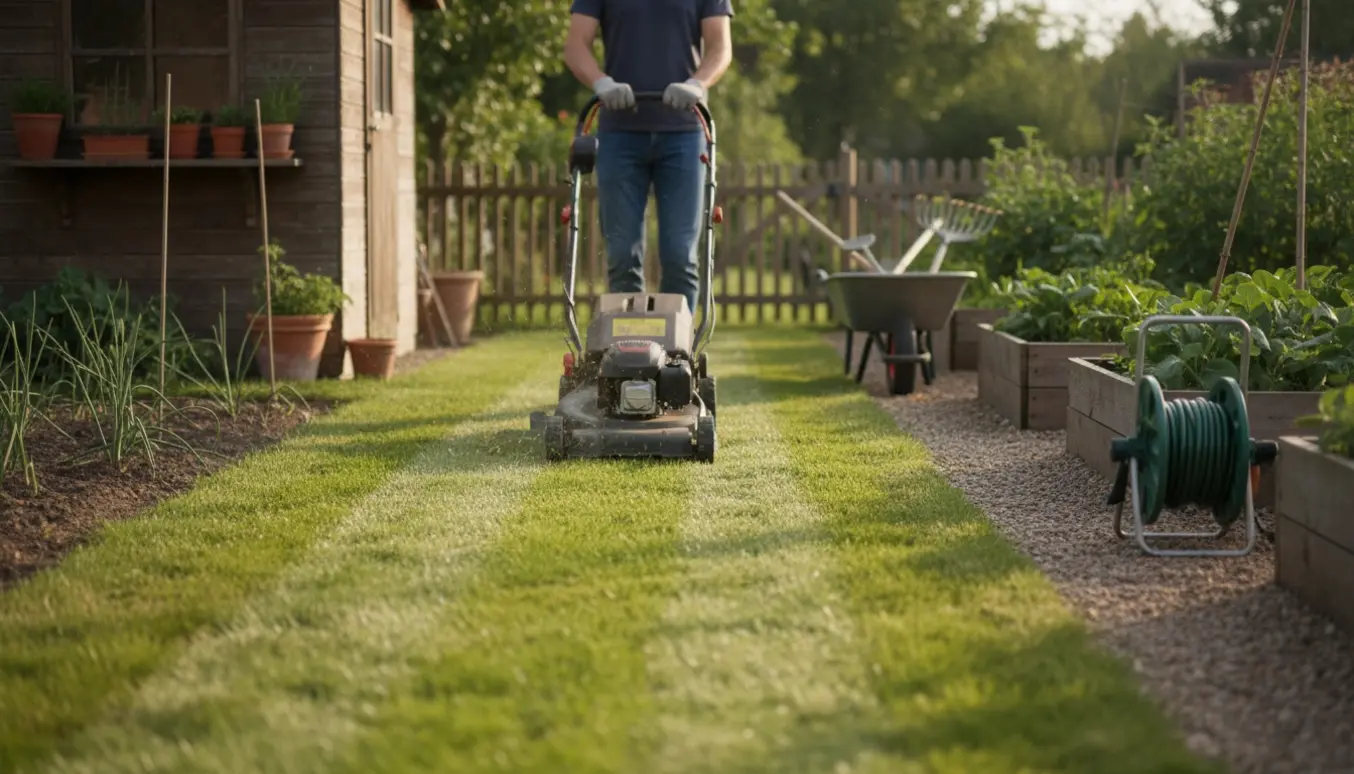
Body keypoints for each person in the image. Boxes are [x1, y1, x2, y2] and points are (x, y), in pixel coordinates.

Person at [563, 0, 734, 316]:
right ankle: (629, 346)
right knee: (622, 256)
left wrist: (697, 84)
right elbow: (576, 46)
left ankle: (678, 351)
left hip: (684, 133)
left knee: (680, 256)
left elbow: (720, 47)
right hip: (620, 134)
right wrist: (602, 83)